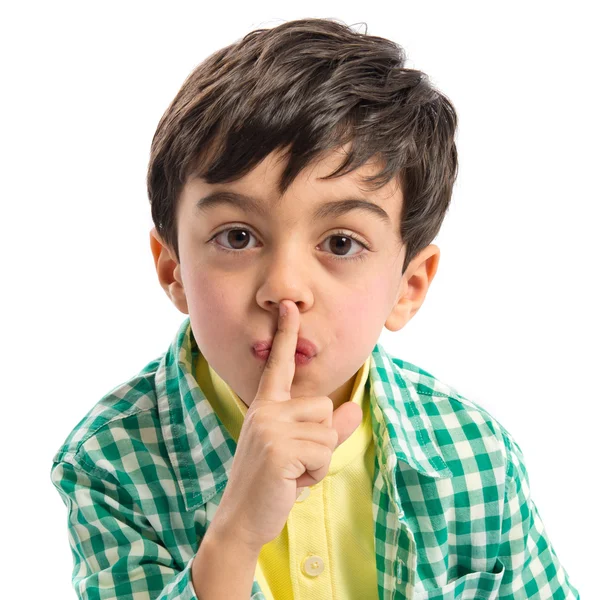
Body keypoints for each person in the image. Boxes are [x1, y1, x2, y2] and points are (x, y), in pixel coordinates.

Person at [50, 17, 579, 600]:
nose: (284, 288)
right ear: (172, 267)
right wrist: (235, 534)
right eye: (236, 237)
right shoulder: (111, 460)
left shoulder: (476, 457)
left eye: (341, 243)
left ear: (408, 287)